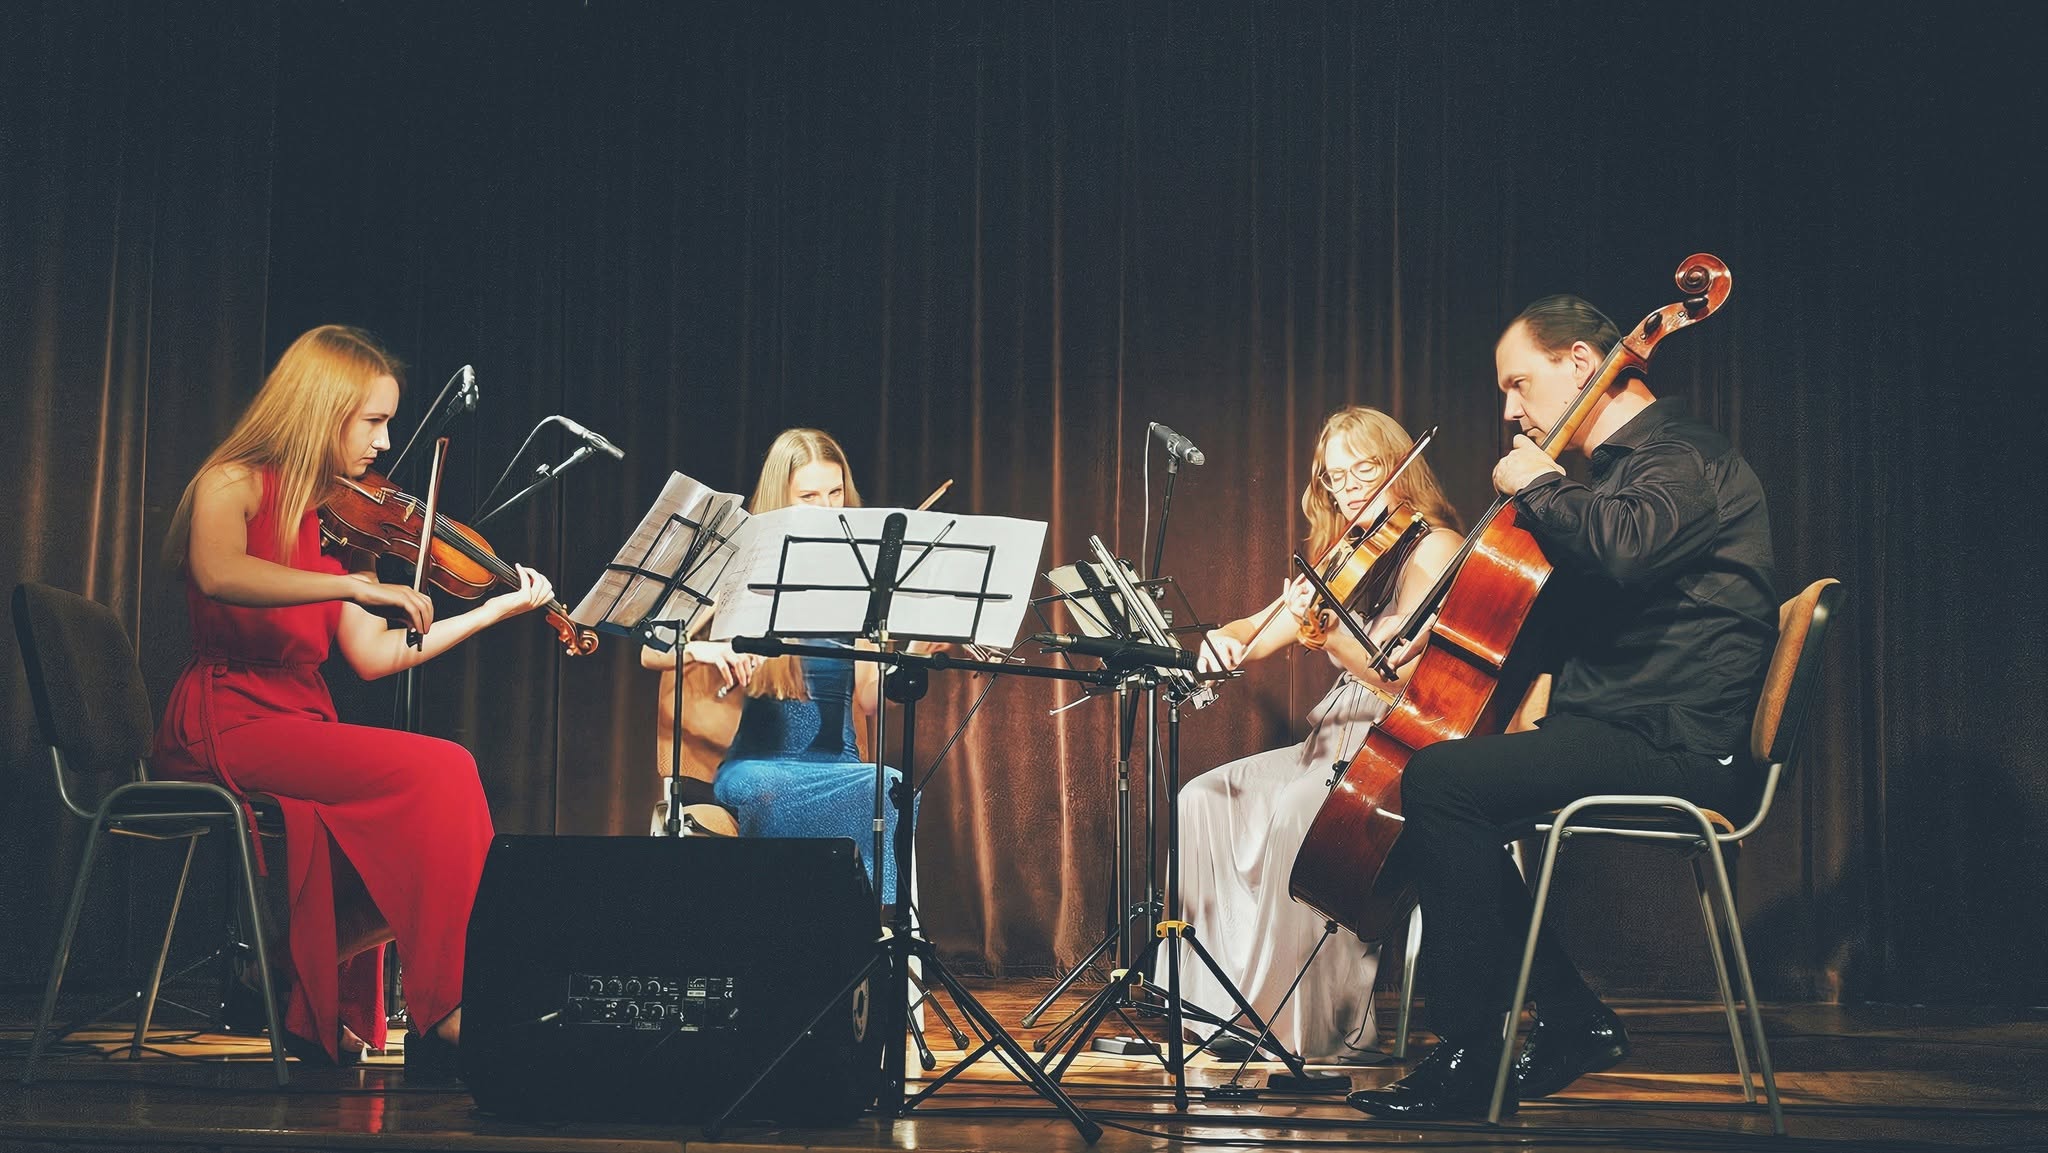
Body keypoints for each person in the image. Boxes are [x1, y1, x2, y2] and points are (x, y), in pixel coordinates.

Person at [1347, 295, 1777, 1119]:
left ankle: (1476, 1054)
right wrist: (1446, 635)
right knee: (1449, 791)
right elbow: (1577, 609)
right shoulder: (1624, 477)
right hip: (1626, 729)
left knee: (1443, 785)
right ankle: (1570, 1018)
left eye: (1519, 382)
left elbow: (1619, 551)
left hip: (1675, 746)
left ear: (1584, 363)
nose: (1510, 409)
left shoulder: (1681, 456)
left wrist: (1542, 482)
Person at [153, 325, 555, 1073]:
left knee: (425, 815)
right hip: (226, 717)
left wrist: (492, 610)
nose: (385, 439)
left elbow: (373, 655)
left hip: (300, 718)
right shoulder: (231, 482)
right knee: (442, 773)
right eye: (372, 420)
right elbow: (218, 573)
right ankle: (452, 1012)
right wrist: (349, 582)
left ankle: (276, 973)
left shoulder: (329, 514)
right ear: (320, 409)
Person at [1176, 406, 1461, 1062]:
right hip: (1330, 740)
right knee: (1202, 799)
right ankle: (1222, 1009)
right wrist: (1227, 639)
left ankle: (1310, 1028)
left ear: (1400, 467)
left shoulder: (1435, 546)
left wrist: (1328, 630)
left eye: (1366, 468)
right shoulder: (1347, 554)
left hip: (1395, 743)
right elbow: (1264, 623)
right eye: (1338, 476)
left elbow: (1403, 678)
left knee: (1301, 813)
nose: (1353, 486)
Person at [639, 427, 911, 898]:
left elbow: (869, 699)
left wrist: (920, 648)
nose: (828, 509)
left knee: (890, 783)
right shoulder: (743, 563)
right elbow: (652, 650)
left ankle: (863, 924)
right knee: (769, 788)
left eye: (835, 492)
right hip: (757, 764)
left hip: (838, 764)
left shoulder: (863, 577)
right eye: (809, 496)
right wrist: (705, 648)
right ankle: (781, 919)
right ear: (780, 499)